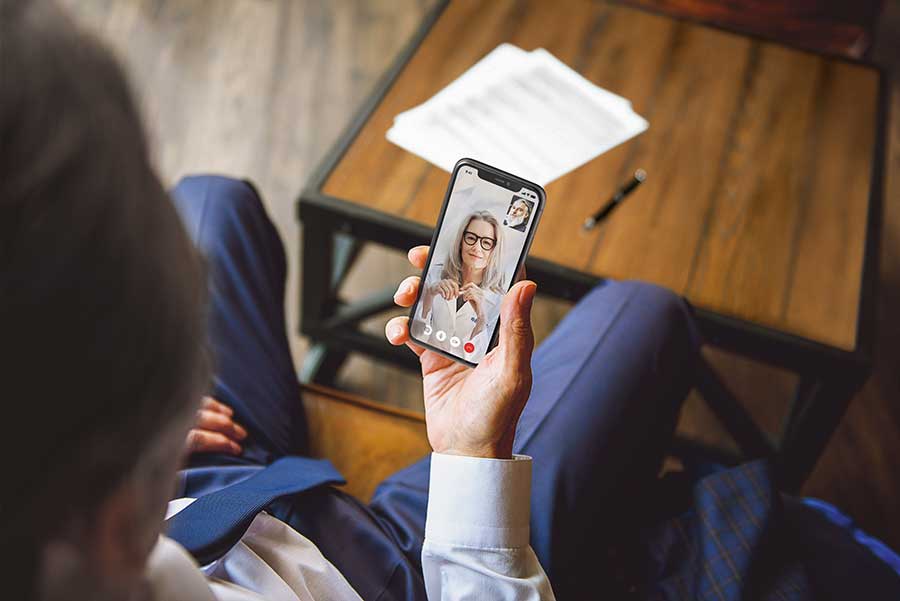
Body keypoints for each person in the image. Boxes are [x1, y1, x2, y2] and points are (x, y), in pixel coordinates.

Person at [6, 2, 900, 600]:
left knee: (210, 199)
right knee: (649, 315)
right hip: (400, 577)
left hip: (212, 483)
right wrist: (475, 459)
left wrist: (115, 440)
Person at [412, 210, 506, 360]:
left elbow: (476, 358)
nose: (477, 248)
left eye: (487, 242)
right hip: (423, 357)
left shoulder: (499, 300)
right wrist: (429, 297)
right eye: (471, 238)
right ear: (461, 241)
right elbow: (417, 334)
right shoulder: (435, 274)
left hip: (463, 374)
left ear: (495, 250)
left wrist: (482, 318)